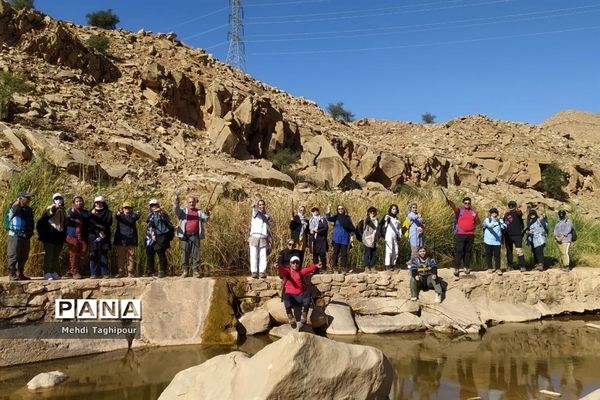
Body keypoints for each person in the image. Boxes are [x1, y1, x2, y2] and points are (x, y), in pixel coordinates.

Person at [277, 255, 321, 328]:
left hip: (299, 297)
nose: (295, 264)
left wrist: (316, 266)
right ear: (290, 264)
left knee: (307, 294)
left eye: (297, 263)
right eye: (293, 263)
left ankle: (304, 315)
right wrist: (278, 267)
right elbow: (282, 270)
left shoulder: (300, 272)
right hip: (290, 298)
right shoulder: (287, 272)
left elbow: (308, 269)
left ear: (299, 264)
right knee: (286, 295)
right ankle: (290, 317)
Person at [173, 194, 210, 278]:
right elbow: (176, 210)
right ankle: (185, 271)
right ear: (187, 203)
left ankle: (195, 271)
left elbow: (206, 219)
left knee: (196, 254)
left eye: (193, 202)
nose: (191, 203)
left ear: (195, 202)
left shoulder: (199, 212)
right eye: (189, 202)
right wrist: (176, 202)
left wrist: (207, 213)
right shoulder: (183, 211)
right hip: (185, 236)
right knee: (185, 253)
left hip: (195, 235)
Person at [446, 196, 480, 278]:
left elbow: (478, 221)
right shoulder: (459, 211)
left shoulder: (474, 212)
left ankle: (466, 267)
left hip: (471, 234)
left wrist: (473, 224)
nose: (467, 204)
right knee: (459, 250)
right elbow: (453, 206)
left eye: (468, 203)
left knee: (468, 251)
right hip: (460, 233)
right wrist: (449, 201)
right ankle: (456, 268)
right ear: (463, 204)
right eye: (465, 203)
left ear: (470, 204)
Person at [36, 193, 67, 280]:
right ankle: (47, 272)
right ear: (53, 200)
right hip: (50, 235)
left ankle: (54, 271)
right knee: (49, 255)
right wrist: (55, 207)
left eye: (60, 198)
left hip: (59, 235)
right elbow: (50, 212)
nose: (59, 200)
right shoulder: (50, 207)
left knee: (56, 255)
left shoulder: (63, 210)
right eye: (56, 198)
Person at [5, 192, 34, 281]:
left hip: (25, 235)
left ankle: (20, 273)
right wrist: (17, 202)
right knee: (13, 255)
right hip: (14, 234)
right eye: (26, 198)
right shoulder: (14, 207)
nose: (28, 200)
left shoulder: (28, 209)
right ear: (20, 198)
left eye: (29, 198)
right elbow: (11, 212)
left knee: (24, 255)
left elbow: (31, 221)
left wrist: (30, 232)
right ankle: (11, 273)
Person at [145, 198, 173, 278]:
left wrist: (160, 214)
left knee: (160, 252)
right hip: (150, 236)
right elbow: (149, 224)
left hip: (161, 235)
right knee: (150, 253)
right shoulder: (150, 214)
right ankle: (151, 271)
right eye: (151, 205)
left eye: (155, 205)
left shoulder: (162, 213)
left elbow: (167, 223)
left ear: (158, 205)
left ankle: (162, 271)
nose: (153, 207)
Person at [65, 195, 90, 279]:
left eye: (80, 201)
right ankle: (74, 271)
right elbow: (69, 216)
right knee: (73, 254)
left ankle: (76, 270)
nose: (79, 203)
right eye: (77, 201)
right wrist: (72, 211)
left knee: (84, 252)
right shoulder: (70, 211)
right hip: (72, 235)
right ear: (73, 203)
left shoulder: (86, 212)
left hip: (83, 236)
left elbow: (89, 222)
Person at [326, 204, 355, 274]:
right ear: (337, 210)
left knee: (344, 254)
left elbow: (351, 228)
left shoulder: (347, 218)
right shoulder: (336, 217)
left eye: (341, 208)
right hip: (336, 239)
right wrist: (328, 210)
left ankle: (343, 268)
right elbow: (328, 218)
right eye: (339, 209)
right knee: (335, 254)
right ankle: (335, 268)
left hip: (345, 239)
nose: (340, 210)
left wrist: (351, 237)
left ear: (344, 209)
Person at [114, 200, 140, 278]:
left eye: (129, 208)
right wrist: (117, 214)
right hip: (121, 240)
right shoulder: (120, 216)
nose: (127, 209)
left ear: (131, 209)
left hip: (131, 240)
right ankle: (120, 272)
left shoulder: (133, 216)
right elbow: (116, 216)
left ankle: (130, 272)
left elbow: (135, 217)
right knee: (120, 257)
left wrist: (137, 214)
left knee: (131, 257)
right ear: (123, 209)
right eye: (125, 208)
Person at [89, 196, 113, 279]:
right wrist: (98, 231)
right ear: (94, 203)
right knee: (93, 254)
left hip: (105, 235)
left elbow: (108, 223)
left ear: (103, 203)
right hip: (93, 236)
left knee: (104, 254)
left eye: (100, 202)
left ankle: (105, 273)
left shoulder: (108, 212)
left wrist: (102, 230)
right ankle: (93, 273)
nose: (98, 204)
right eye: (96, 202)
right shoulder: (90, 212)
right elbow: (89, 224)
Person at [248, 198, 271, 279]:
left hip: (263, 237)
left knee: (263, 256)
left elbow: (267, 227)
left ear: (265, 205)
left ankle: (262, 272)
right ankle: (254, 271)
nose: (261, 206)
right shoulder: (255, 213)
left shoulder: (267, 216)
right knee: (253, 255)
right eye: (260, 205)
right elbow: (254, 208)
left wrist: (269, 239)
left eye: (262, 205)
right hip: (255, 236)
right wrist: (254, 206)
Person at [355, 206, 380, 273]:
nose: (372, 213)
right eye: (371, 212)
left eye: (373, 211)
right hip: (367, 239)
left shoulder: (377, 220)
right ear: (368, 213)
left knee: (373, 253)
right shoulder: (365, 220)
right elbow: (358, 229)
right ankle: (366, 267)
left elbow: (378, 230)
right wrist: (362, 238)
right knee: (367, 253)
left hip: (374, 239)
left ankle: (372, 266)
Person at [504, 200, 526, 272]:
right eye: (510, 206)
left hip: (517, 235)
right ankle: (510, 266)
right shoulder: (506, 214)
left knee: (519, 250)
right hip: (508, 235)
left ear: (515, 206)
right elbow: (504, 223)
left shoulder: (518, 213)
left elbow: (520, 214)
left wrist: (518, 209)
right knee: (509, 251)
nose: (511, 207)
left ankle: (522, 266)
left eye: (513, 206)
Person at [483, 208, 506, 275]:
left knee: (497, 255)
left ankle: (498, 268)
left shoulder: (500, 220)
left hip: (497, 241)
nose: (494, 213)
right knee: (489, 254)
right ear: (490, 213)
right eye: (492, 212)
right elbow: (490, 226)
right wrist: (494, 220)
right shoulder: (487, 219)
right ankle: (490, 268)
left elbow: (504, 226)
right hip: (488, 240)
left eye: (495, 212)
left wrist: (502, 224)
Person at [380, 204, 402, 271]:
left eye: (395, 209)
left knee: (396, 251)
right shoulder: (387, 216)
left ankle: (393, 265)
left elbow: (399, 228)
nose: (394, 210)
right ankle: (387, 266)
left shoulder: (397, 218)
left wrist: (399, 235)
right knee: (389, 251)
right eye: (393, 209)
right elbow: (381, 224)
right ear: (390, 209)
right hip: (388, 235)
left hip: (395, 236)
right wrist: (385, 220)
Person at [308, 204, 328, 272]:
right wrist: (310, 231)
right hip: (313, 239)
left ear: (318, 211)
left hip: (321, 239)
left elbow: (325, 228)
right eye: (313, 210)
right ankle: (316, 270)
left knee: (322, 255)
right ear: (312, 212)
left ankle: (324, 268)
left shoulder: (322, 219)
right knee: (315, 256)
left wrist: (317, 231)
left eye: (316, 210)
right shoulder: (310, 220)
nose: (315, 211)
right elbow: (308, 230)